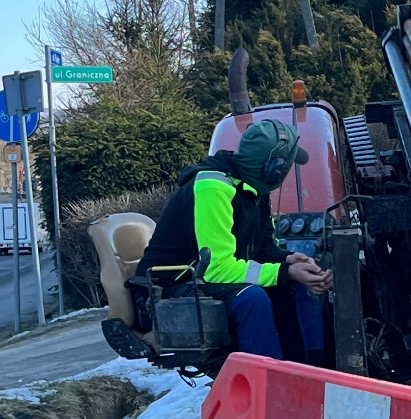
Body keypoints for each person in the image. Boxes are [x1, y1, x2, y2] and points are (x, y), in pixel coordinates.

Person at [134, 118, 332, 359]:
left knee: (293, 285)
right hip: (168, 288)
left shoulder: (253, 188)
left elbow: (263, 248)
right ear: (273, 170)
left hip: (203, 279)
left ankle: (308, 367)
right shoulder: (213, 189)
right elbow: (216, 269)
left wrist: (290, 261)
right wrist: (284, 272)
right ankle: (264, 378)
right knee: (251, 298)